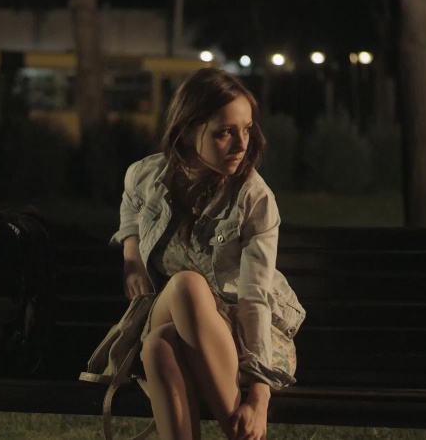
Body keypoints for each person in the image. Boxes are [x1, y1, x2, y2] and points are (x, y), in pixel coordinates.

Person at [111, 67, 306, 440]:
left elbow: (254, 299)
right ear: (187, 133)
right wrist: (131, 258)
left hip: (244, 334)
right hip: (177, 312)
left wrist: (259, 397)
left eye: (247, 130)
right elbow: (132, 209)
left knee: (158, 346)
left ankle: (242, 434)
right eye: (224, 132)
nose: (241, 144)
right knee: (184, 291)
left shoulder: (253, 197)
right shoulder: (146, 176)